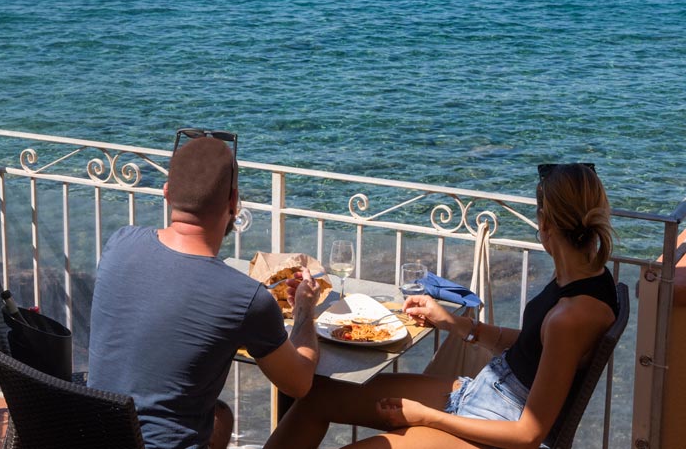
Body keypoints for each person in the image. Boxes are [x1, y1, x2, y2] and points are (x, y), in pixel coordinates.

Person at [264, 163, 619, 449]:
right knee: (315, 397)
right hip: (480, 395)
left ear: (544, 222)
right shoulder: (581, 277)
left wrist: (424, 416)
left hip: (502, 427)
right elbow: (536, 349)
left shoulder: (572, 315)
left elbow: (529, 435)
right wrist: (455, 323)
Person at [88, 129, 321, 449]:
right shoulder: (246, 298)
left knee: (219, 416)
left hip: (91, 433)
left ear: (167, 192)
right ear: (234, 202)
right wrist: (306, 311)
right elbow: (299, 384)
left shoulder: (119, 242)